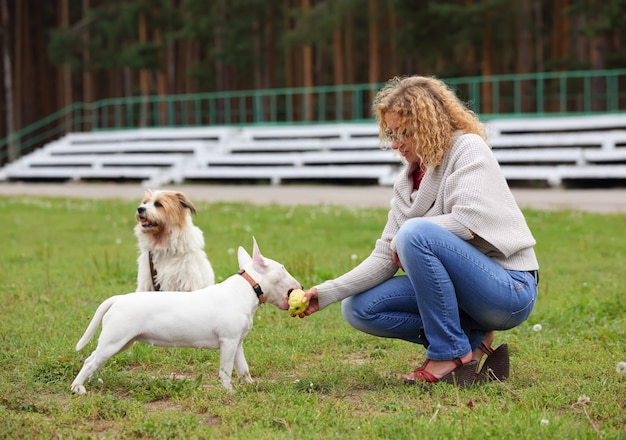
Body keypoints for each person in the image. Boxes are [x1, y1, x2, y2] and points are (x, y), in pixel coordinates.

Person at [297, 75, 539, 387]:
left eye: (405, 134)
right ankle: (471, 341)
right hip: (468, 296)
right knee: (358, 308)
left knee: (414, 234)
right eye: (391, 134)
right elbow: (385, 255)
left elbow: (468, 222)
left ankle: (449, 353)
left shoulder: (468, 148)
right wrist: (326, 293)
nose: (396, 144)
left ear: (431, 124)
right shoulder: (406, 184)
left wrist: (408, 236)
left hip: (509, 289)